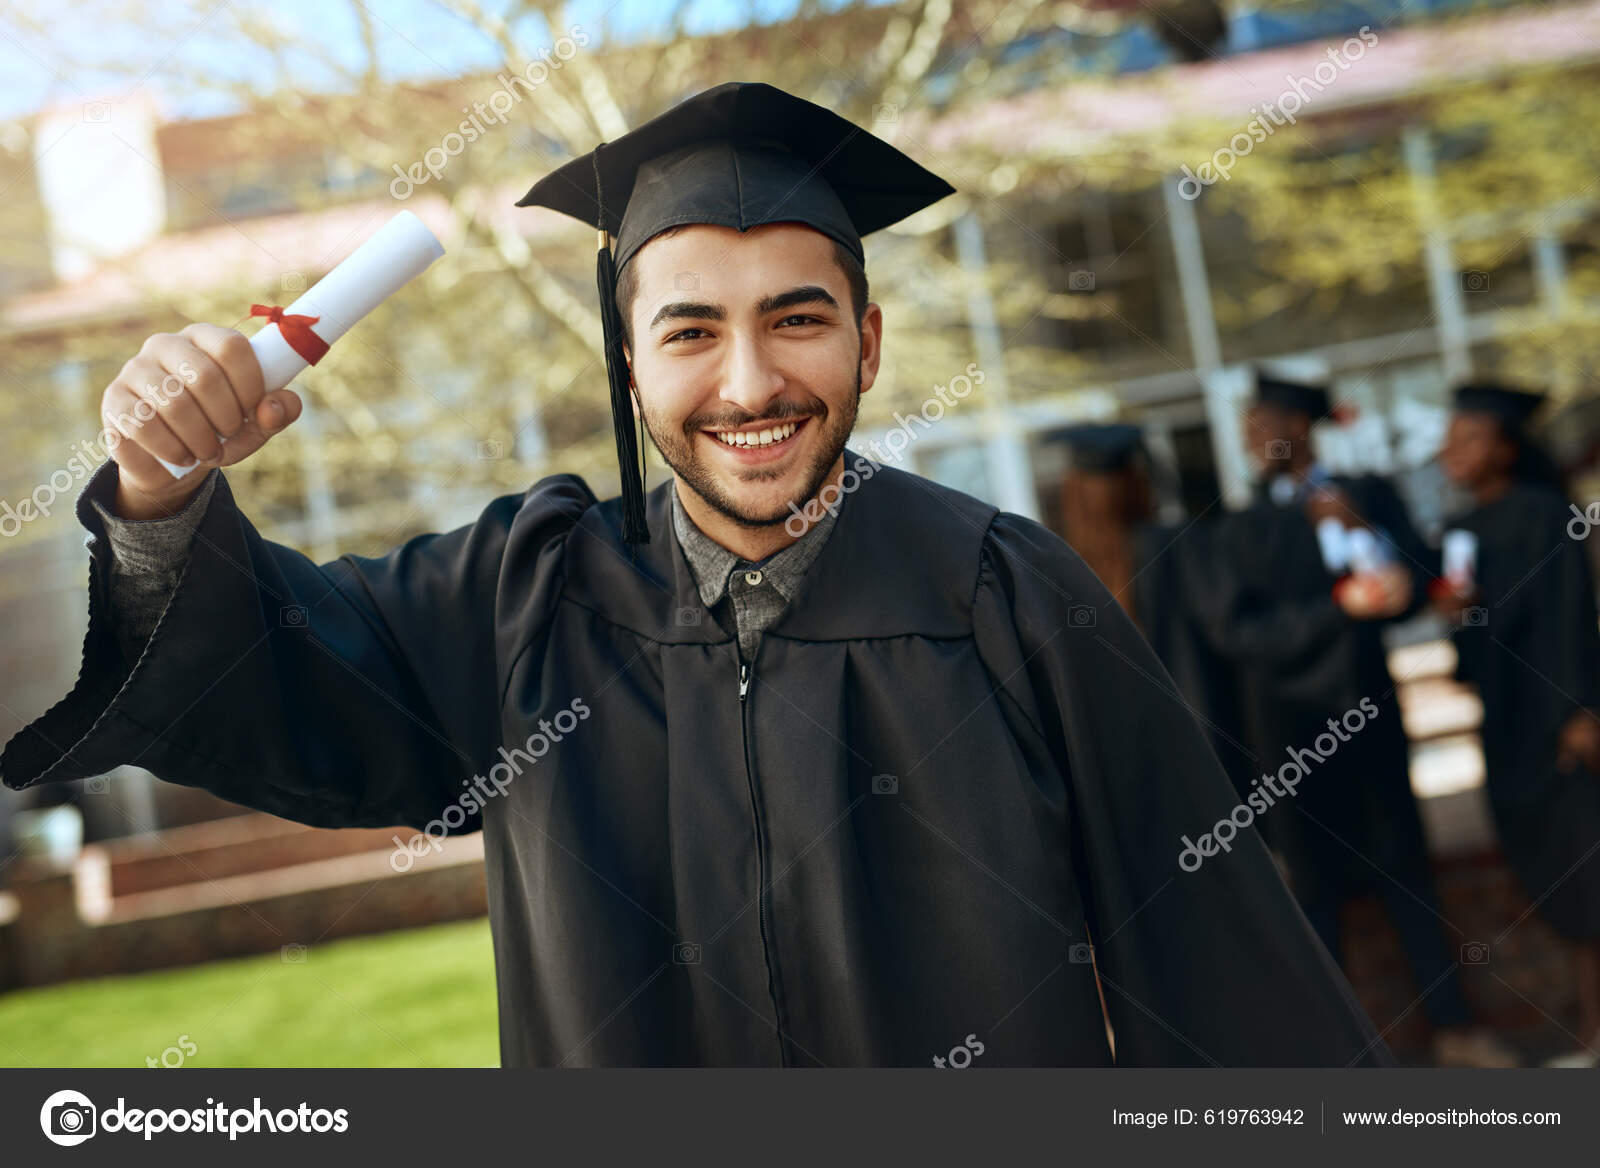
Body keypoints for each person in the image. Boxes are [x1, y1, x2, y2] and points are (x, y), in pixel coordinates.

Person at [2, 83, 1388, 1068]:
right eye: (689, 332)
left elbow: (1218, 971)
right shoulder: (520, 601)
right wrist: (166, 485)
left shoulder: (1009, 600)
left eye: (798, 319)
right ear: (627, 362)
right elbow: (278, 672)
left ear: (871, 344)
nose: (749, 382)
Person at [1204, 371, 1517, 1067]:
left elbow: (1420, 587)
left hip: (1369, 712)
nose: (1254, 438)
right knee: (1313, 892)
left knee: (1407, 868)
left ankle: (1454, 1030)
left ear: (1302, 427)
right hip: (1284, 729)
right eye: (1249, 427)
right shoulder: (1240, 526)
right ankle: (1343, 1056)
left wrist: (1364, 534)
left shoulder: (1367, 494)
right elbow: (1238, 635)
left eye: (1265, 423)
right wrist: (1335, 611)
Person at [1435, 382, 1600, 1060]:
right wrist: (1457, 618)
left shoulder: (1543, 512)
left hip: (1557, 721)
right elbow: (1473, 650)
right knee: (1554, 882)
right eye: (1451, 437)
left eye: (1471, 437)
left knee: (1589, 884)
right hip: (1503, 728)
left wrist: (1579, 711)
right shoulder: (1458, 533)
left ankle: (1594, 1030)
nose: (1452, 450)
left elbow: (1569, 616)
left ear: (1506, 447)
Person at [1049, 424, 1253, 794]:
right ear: (1135, 485)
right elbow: (1232, 629)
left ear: (1072, 494)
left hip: (1120, 761)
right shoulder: (1175, 544)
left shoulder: (1056, 570)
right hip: (1200, 742)